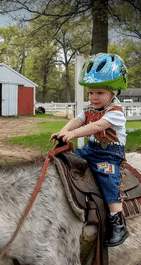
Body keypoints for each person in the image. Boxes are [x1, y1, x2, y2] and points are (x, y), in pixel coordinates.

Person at [50, 53, 129, 247]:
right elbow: (77, 120)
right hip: (91, 150)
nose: (93, 97)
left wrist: (74, 135)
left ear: (114, 92)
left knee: (108, 179)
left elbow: (96, 127)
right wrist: (63, 132)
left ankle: (117, 222)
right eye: (90, 93)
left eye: (100, 93)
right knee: (65, 161)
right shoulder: (89, 109)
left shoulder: (115, 113)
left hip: (109, 154)